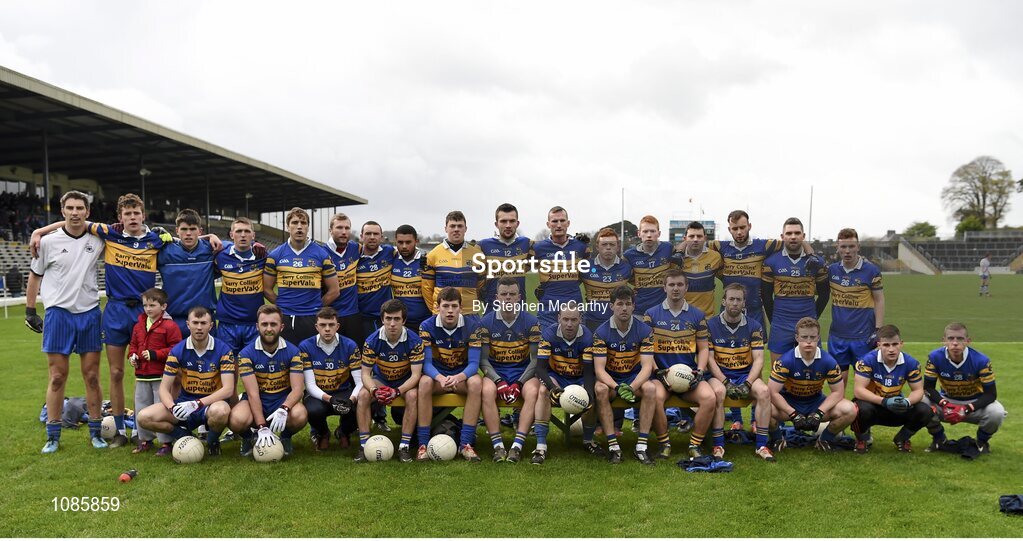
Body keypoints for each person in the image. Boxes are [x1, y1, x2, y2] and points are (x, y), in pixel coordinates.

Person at [32, 193, 172, 447]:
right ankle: (119, 431)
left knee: (151, 372)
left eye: (136, 213)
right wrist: (39, 231)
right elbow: (74, 222)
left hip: (144, 313)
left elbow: (189, 239)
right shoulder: (109, 234)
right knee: (116, 372)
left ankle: (148, 431)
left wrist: (210, 237)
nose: (132, 217)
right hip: (116, 311)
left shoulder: (156, 240)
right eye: (127, 214)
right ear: (120, 217)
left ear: (143, 216)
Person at [25, 190, 107, 453]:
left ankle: (96, 433)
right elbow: (35, 276)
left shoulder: (98, 239)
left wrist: (38, 229)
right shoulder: (47, 242)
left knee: (92, 376)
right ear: (62, 212)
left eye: (79, 208)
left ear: (87, 212)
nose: (74, 212)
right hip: (58, 315)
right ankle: (53, 436)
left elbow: (128, 230)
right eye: (69, 208)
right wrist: (30, 311)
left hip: (89, 313)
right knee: (57, 377)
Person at [135, 305, 235, 456]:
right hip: (185, 402)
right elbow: (164, 388)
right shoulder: (177, 351)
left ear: (211, 326)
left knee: (221, 411)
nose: (199, 327)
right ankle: (184, 436)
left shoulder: (224, 350)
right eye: (195, 323)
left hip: (211, 403)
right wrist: (172, 408)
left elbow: (228, 389)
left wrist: (198, 403)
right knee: (144, 417)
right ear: (188, 324)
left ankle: (212, 442)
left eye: (203, 323)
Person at [643, 269, 718, 459]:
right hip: (661, 377)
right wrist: (657, 371)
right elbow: (646, 350)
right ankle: (664, 444)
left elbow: (703, 349)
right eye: (671, 285)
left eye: (679, 285)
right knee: (655, 397)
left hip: (689, 377)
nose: (675, 288)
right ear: (664, 287)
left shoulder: (697, 315)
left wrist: (700, 371)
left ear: (686, 287)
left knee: (709, 398)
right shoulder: (651, 314)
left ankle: (694, 444)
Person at [705, 283, 775, 461]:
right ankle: (718, 445)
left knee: (764, 392)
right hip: (720, 375)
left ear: (744, 303)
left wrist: (748, 383)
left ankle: (761, 445)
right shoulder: (710, 325)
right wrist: (725, 382)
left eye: (739, 300)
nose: (735, 303)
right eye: (731, 299)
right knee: (718, 393)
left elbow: (759, 359)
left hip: (744, 374)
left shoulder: (754, 326)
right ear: (724, 301)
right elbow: (710, 359)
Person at [477, 277, 542, 463]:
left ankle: (517, 446)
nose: (508, 298)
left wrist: (519, 383)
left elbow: (535, 360)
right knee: (486, 390)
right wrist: (498, 381)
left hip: (522, 372)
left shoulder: (531, 321)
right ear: (496, 297)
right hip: (496, 372)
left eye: (512, 294)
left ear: (519, 297)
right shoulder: (485, 322)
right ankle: (498, 446)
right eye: (504, 294)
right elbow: (483, 360)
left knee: (533, 390)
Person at [767, 317, 856, 452]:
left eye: (812, 337)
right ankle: (777, 439)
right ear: (797, 337)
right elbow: (772, 392)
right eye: (804, 337)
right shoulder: (784, 361)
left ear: (818, 338)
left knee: (850, 409)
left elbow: (838, 392)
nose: (808, 341)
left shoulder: (829, 361)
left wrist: (819, 413)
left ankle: (825, 439)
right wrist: (793, 414)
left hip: (816, 403)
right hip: (790, 403)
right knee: (763, 407)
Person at [230, 304, 308, 457]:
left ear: (281, 327)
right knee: (236, 420)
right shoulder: (245, 354)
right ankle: (249, 437)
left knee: (300, 415)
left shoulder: (294, 352)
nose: (269, 328)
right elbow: (252, 394)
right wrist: (262, 426)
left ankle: (285, 437)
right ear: (257, 327)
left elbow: (298, 389)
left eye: (273, 324)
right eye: (264, 324)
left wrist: (284, 408)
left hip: (281, 399)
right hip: (256, 399)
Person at [416, 287, 484, 461]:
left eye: (454, 306)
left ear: (461, 307)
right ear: (437, 307)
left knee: (476, 383)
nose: (450, 311)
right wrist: (440, 378)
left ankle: (465, 444)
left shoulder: (473, 326)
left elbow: (474, 364)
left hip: (460, 378)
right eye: (445, 306)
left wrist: (458, 377)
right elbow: (426, 364)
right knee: (424, 383)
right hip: (437, 378)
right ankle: (422, 445)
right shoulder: (426, 326)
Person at [592, 285, 657, 464]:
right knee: (600, 389)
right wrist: (617, 387)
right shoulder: (601, 332)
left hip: (633, 379)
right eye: (620, 304)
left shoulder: (645, 330)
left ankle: (641, 446)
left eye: (628, 304)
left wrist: (632, 387)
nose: (624, 308)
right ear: (611, 306)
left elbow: (647, 367)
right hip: (611, 380)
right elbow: (599, 370)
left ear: (634, 306)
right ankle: (613, 447)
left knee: (651, 389)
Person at [356, 299, 423, 463]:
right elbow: (365, 374)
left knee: (413, 396)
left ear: (404, 320)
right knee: (363, 395)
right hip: (381, 380)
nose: (392, 324)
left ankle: (404, 446)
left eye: (397, 319)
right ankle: (364, 445)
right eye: (388, 319)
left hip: (405, 381)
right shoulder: (372, 341)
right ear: (382, 319)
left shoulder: (415, 341)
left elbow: (416, 376)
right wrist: (374, 390)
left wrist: (397, 391)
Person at [923, 322, 1006, 454]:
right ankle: (939, 439)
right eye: (951, 338)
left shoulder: (981, 361)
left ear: (968, 341)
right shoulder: (934, 357)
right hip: (947, 401)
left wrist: (967, 408)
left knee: (997, 412)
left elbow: (991, 394)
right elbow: (928, 388)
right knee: (922, 402)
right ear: (944, 340)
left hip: (974, 402)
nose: (955, 343)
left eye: (960, 339)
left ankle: (981, 442)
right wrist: (944, 404)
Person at [850, 324, 932, 453]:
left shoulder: (911, 363)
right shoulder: (866, 361)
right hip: (873, 406)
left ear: (901, 344)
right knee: (859, 409)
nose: (891, 349)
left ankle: (902, 438)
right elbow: (859, 391)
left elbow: (918, 390)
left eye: (895, 344)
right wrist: (884, 401)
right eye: (886, 345)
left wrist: (907, 402)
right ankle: (862, 439)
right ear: (879, 345)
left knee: (925, 410)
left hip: (896, 406)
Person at [263, 207, 339, 344]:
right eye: (295, 222)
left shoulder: (322, 254)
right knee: (286, 355)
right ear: (287, 227)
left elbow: (334, 291)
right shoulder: (275, 255)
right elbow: (266, 289)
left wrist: (315, 306)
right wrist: (282, 305)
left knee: (309, 355)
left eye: (303, 223)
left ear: (308, 227)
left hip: (312, 317)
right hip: (285, 317)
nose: (299, 227)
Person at [533, 302, 595, 465]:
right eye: (565, 319)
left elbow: (589, 372)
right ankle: (541, 445)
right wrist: (553, 387)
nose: (569, 324)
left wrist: (589, 395)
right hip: (557, 376)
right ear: (558, 318)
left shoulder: (587, 337)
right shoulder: (548, 334)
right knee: (543, 391)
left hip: (579, 378)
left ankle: (588, 441)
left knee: (592, 394)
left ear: (580, 319)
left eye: (573, 320)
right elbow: (540, 369)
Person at [761, 217, 829, 362]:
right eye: (789, 233)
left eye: (797, 233)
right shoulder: (771, 262)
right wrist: (775, 321)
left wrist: (812, 318)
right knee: (778, 371)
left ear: (803, 236)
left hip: (808, 326)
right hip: (781, 326)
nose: (793, 237)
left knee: (811, 370)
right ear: (782, 236)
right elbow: (766, 297)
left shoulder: (817, 263)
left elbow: (824, 295)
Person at [126, 287, 183, 455]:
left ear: (163, 306)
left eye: (152, 305)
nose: (148, 309)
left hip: (161, 377)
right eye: (145, 305)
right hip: (142, 376)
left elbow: (176, 348)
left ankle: (166, 442)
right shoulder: (138, 325)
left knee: (161, 409)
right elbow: (133, 345)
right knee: (141, 408)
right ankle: (145, 440)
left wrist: (156, 354)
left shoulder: (170, 326)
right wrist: (132, 356)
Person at [828, 228, 884, 391]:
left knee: (866, 382)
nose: (847, 251)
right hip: (837, 336)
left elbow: (879, 300)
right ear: (837, 247)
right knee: (839, 382)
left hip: (863, 336)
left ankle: (864, 408)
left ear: (858, 247)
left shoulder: (872, 271)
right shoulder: (831, 270)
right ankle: (839, 408)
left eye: (851, 246)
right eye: (843, 246)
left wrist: (878, 330)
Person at [299, 307, 362, 451]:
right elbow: (309, 385)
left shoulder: (350, 345)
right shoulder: (305, 346)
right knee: (313, 410)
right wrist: (330, 399)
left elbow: (360, 382)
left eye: (331, 325)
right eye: (323, 325)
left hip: (343, 391)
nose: (327, 329)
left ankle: (343, 431)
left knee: (362, 404)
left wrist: (351, 400)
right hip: (318, 393)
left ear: (337, 326)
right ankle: (323, 433)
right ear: (316, 327)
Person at [157, 209, 217, 338]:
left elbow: (237, 248)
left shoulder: (211, 249)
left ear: (200, 231)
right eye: (184, 229)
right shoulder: (164, 251)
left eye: (193, 229)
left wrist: (212, 236)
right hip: (173, 320)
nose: (188, 233)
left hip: (204, 320)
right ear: (177, 230)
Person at [215, 217, 267, 356]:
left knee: (254, 363)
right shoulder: (221, 256)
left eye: (247, 231)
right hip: (227, 323)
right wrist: (212, 236)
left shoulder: (262, 257)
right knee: (227, 364)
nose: (243, 235)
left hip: (254, 323)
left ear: (253, 235)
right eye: (238, 231)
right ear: (231, 234)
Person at [532, 206, 589, 328]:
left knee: (576, 340)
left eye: (562, 221)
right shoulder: (538, 248)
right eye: (554, 221)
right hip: (548, 311)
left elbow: (589, 271)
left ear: (568, 223)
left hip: (574, 309)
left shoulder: (581, 246)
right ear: (548, 224)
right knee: (546, 340)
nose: (558, 225)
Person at [421, 210, 485, 314]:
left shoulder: (477, 255)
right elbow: (427, 288)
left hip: (470, 314)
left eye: (460, 226)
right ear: (446, 228)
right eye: (452, 226)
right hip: (442, 315)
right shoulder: (433, 254)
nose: (456, 229)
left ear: (465, 229)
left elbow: (480, 286)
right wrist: (436, 310)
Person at [478, 203, 532, 313]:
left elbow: (549, 250)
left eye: (512, 221)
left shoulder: (527, 244)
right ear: (496, 224)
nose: (508, 225)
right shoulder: (483, 246)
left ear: (517, 223)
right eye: (503, 221)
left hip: (519, 312)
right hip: (492, 312)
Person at [581, 227, 632, 332]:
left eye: (612, 244)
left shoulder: (627, 267)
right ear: (597, 246)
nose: (608, 248)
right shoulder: (585, 267)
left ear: (617, 247)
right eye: (604, 244)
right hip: (592, 322)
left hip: (618, 322)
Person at [623, 215, 676, 315]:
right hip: (639, 311)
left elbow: (682, 248)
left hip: (664, 311)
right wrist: (629, 290)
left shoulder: (668, 248)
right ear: (639, 233)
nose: (649, 235)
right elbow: (619, 276)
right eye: (645, 231)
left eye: (652, 231)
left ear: (659, 233)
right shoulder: (629, 255)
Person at [322, 212, 362, 342]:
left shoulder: (356, 248)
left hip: (353, 314)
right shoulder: (321, 253)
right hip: (330, 316)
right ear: (330, 230)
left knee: (355, 351)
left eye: (347, 228)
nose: (344, 232)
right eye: (339, 227)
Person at [674, 221, 724, 317]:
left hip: (707, 318)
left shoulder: (715, 257)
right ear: (685, 239)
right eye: (691, 236)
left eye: (699, 236)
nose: (695, 239)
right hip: (682, 318)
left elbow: (726, 278)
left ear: (705, 238)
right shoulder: (676, 260)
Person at [391, 224, 430, 331]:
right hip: (399, 323)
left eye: (408, 242)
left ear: (416, 242)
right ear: (395, 242)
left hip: (424, 321)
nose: (404, 246)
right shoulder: (391, 259)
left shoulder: (427, 260)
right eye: (400, 242)